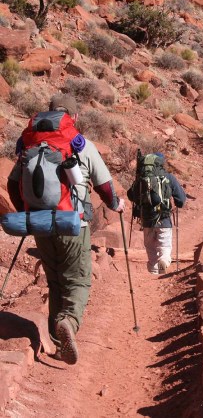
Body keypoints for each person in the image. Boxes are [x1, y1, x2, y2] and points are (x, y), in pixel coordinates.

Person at [7, 93, 125, 365]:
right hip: (72, 222)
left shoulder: (29, 142)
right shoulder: (79, 143)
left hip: (39, 223)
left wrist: (27, 211)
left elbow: (14, 184)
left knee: (55, 279)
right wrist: (115, 204)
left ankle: (58, 342)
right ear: (74, 116)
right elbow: (104, 185)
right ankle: (69, 322)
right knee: (78, 279)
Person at [127, 152, 186, 275]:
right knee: (164, 246)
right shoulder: (168, 177)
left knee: (151, 248)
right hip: (164, 218)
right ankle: (164, 260)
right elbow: (181, 199)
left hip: (147, 219)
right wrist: (177, 203)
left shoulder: (141, 178)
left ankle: (153, 275)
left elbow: (131, 195)